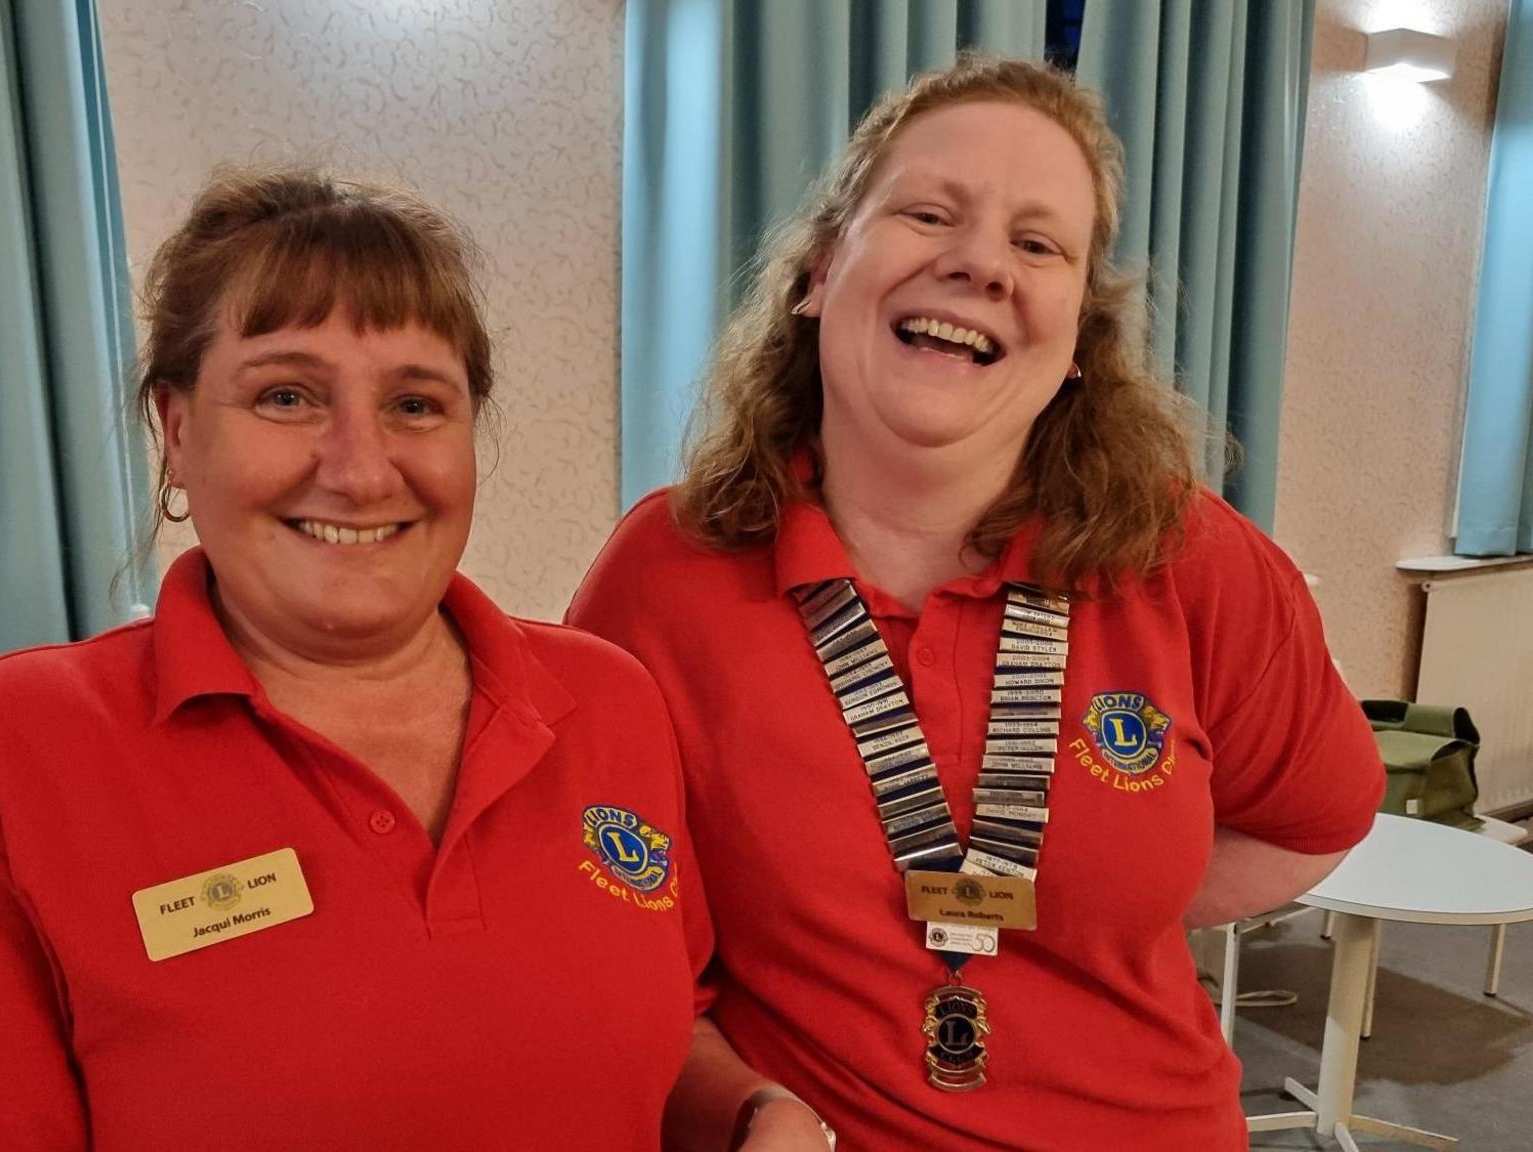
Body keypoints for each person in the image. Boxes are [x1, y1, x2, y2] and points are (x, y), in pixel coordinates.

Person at [569, 57, 1384, 1151]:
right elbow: (613, 929)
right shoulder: (664, 571)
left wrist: (1097, 902)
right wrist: (744, 1104)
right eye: (927, 213)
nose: (977, 264)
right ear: (818, 270)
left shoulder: (1192, 560)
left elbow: (1313, 820)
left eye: (1036, 242)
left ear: (1078, 344)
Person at [0, 168, 711, 1150]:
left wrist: (760, 1112)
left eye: (415, 404)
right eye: (286, 395)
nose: (361, 470)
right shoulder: (5, 751)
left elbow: (665, 1043)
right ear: (178, 428)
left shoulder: (606, 700)